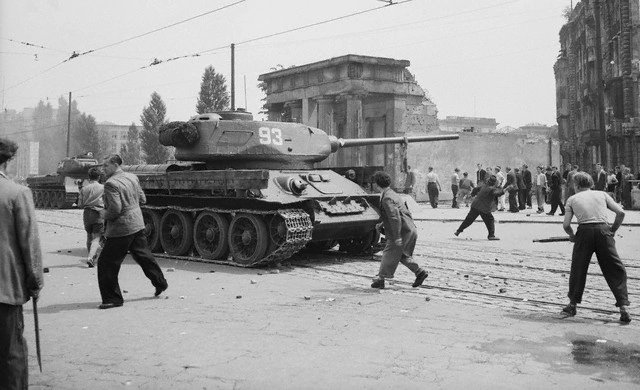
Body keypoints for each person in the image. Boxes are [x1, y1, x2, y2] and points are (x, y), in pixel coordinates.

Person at [0, 138, 44, 389]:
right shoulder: (17, 193)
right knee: (11, 355)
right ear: (8, 160)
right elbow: (30, 244)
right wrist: (35, 281)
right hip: (5, 291)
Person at [97, 154, 168, 309]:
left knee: (106, 263)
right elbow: (143, 199)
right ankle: (160, 283)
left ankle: (112, 299)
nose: (103, 169)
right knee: (143, 256)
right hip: (137, 224)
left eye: (106, 166)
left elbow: (115, 209)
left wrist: (104, 214)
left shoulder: (111, 183)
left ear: (115, 164)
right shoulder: (132, 177)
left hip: (121, 229)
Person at [561, 172, 630, 323]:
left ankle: (572, 304)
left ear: (577, 185)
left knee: (578, 268)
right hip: (603, 231)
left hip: (584, 233)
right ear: (590, 184)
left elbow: (566, 225)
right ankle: (623, 306)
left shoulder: (572, 199)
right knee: (615, 268)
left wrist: (572, 235)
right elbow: (621, 213)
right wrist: (612, 230)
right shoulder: (602, 194)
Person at [370, 171, 428, 289]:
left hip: (401, 231)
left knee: (388, 252)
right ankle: (420, 272)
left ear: (376, 184)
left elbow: (394, 217)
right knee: (401, 255)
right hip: (409, 228)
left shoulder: (386, 198)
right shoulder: (393, 194)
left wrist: (397, 237)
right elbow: (398, 213)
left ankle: (380, 279)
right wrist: (382, 224)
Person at [454, 175, 514, 240]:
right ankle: (491, 235)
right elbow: (498, 193)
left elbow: (475, 189)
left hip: (475, 205)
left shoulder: (484, 186)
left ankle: (458, 231)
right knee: (490, 220)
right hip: (484, 208)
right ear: (494, 183)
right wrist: (507, 189)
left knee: (468, 220)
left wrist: (472, 195)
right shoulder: (491, 189)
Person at [78, 167, 104, 268]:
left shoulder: (84, 189)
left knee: (89, 236)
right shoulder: (103, 188)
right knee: (97, 237)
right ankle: (90, 257)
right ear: (99, 177)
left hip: (87, 214)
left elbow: (80, 204)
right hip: (98, 213)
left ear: (89, 177)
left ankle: (91, 256)